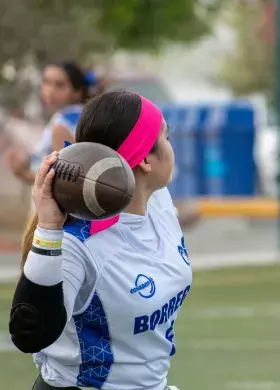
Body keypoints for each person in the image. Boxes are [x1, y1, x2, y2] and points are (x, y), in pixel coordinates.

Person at [9, 91, 191, 390]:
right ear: (145, 159)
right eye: (166, 138)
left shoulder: (157, 200)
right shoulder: (77, 242)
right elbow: (30, 333)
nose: (172, 148)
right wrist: (48, 229)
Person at [5, 61, 93, 185]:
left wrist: (22, 173)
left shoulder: (64, 124)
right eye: (46, 82)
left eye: (60, 85)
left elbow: (67, 181)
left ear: (77, 91)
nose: (50, 91)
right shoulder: (73, 117)